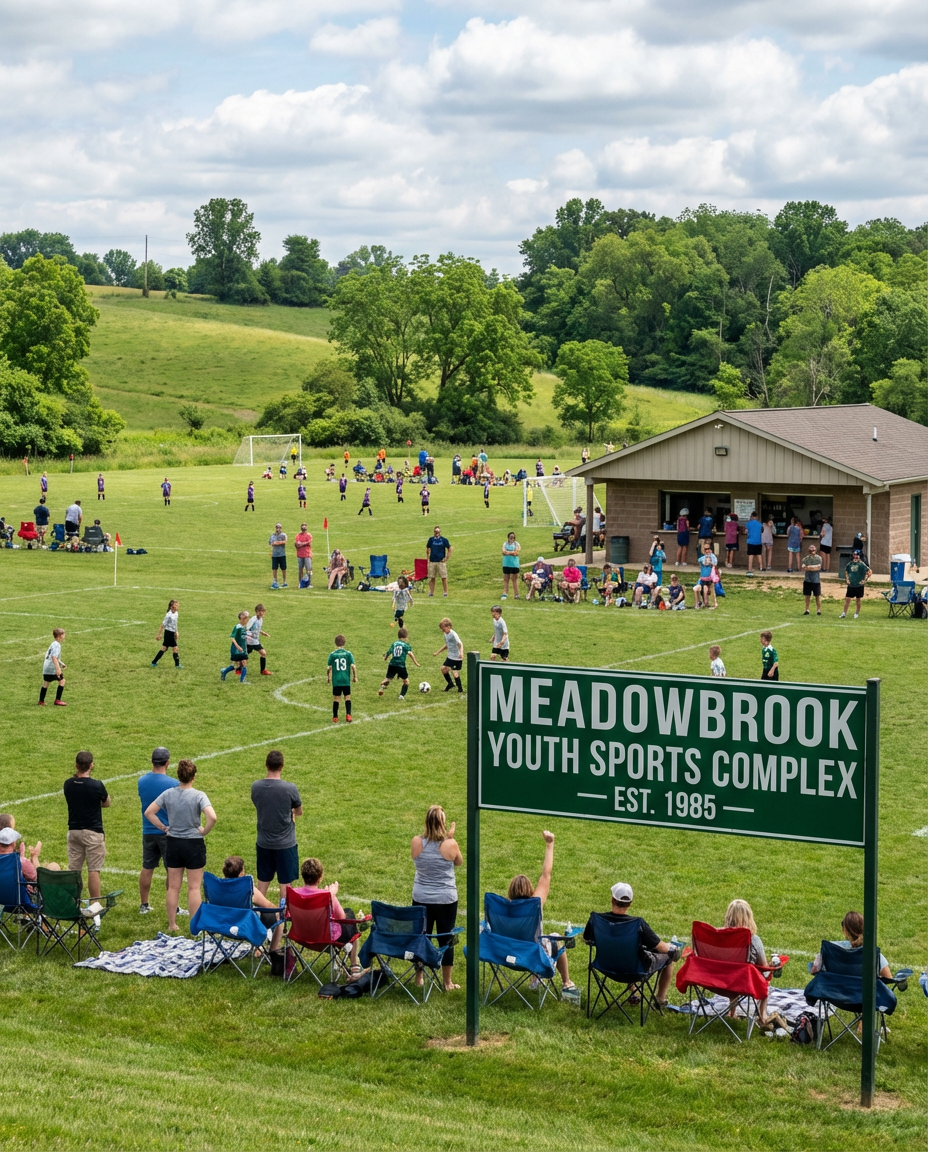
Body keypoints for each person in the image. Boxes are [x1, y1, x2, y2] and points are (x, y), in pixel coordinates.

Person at [144, 759, 216, 933]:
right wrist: (204, 831)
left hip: (173, 842)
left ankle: (172, 924)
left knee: (173, 887)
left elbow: (149, 812)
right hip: (193, 844)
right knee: (194, 887)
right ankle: (195, 926)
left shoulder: (168, 794)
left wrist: (163, 827)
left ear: (178, 776)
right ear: (194, 776)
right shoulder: (199, 795)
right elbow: (212, 817)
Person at [509, 831, 580, 1003]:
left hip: (509, 955)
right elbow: (546, 875)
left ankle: (535, 978)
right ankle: (567, 982)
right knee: (555, 937)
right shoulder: (535, 904)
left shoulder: (503, 910)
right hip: (533, 956)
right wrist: (550, 844)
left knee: (534, 942)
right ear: (530, 890)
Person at [583, 881, 678, 1006]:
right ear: (630, 903)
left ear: (612, 899)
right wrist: (673, 947)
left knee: (626, 950)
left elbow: (587, 939)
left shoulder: (596, 919)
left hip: (604, 967)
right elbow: (662, 948)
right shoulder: (638, 924)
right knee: (667, 958)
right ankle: (660, 999)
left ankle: (634, 991)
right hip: (634, 971)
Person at [411, 806, 463, 992]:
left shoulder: (416, 842)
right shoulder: (450, 844)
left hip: (421, 897)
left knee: (421, 937)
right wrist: (450, 839)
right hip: (445, 900)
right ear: (442, 823)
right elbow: (458, 862)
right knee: (446, 939)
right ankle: (447, 982)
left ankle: (419, 978)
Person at [723, 899, 787, 1032]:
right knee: (765, 979)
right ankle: (762, 1017)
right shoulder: (753, 939)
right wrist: (772, 966)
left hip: (722, 979)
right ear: (749, 918)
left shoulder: (719, 936)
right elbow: (764, 967)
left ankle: (731, 1013)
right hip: (745, 983)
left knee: (734, 970)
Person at [291, 857, 362, 971]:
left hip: (301, 937)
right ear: (320, 877)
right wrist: (332, 895)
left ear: (303, 875)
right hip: (325, 939)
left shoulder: (294, 894)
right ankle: (354, 964)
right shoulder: (326, 896)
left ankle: (345, 962)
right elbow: (341, 917)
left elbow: (288, 915)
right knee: (349, 914)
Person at [251, 750, 302, 901]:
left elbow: (258, 804)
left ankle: (258, 912)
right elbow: (299, 811)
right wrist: (291, 812)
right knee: (285, 886)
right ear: (282, 766)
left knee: (262, 883)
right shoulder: (290, 788)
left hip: (264, 842)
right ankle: (283, 913)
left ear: (266, 765)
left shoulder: (256, 786)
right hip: (286, 845)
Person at [137, 747, 180, 915]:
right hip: (167, 832)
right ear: (167, 763)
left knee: (147, 867)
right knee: (172, 870)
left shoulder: (141, 781)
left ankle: (144, 905)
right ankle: (174, 907)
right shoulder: (173, 784)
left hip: (148, 830)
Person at [63, 751, 109, 900]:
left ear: (76, 765)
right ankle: (95, 903)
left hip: (74, 831)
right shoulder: (97, 785)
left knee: (74, 870)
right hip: (93, 832)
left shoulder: (68, 784)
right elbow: (107, 803)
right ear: (91, 765)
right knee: (94, 870)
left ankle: (72, 901)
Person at [810, 911, 892, 980]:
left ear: (845, 930)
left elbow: (814, 970)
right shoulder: (873, 954)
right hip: (862, 994)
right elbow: (888, 978)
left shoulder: (831, 949)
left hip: (835, 993)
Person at [0, 817, 59, 886]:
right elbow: (37, 878)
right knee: (54, 866)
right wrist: (34, 858)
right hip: (18, 893)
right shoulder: (21, 862)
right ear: (13, 843)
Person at [379, 627, 419, 699]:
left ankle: (382, 686)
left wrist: (385, 658)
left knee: (388, 678)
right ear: (406, 636)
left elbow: (389, 652)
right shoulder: (406, 645)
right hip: (400, 665)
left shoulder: (394, 643)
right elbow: (410, 654)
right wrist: (416, 663)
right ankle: (401, 696)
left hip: (392, 664)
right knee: (406, 681)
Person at [327, 634, 356, 723]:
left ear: (335, 643)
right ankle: (348, 715)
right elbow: (353, 666)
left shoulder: (332, 654)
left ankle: (335, 717)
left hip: (336, 681)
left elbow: (328, 668)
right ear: (344, 643)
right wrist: (355, 677)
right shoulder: (348, 654)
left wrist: (328, 677)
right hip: (345, 680)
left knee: (336, 698)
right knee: (347, 697)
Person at [839, 549, 872, 619]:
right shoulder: (850, 564)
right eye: (854, 555)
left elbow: (869, 571)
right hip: (851, 585)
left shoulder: (862, 564)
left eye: (857, 555)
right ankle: (844, 613)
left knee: (858, 600)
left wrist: (865, 579)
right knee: (847, 599)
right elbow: (846, 571)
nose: (855, 556)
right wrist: (847, 579)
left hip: (859, 585)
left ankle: (856, 613)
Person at [434, 618, 464, 693]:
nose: (442, 630)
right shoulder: (445, 634)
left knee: (455, 673)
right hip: (450, 656)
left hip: (457, 657)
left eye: (443, 629)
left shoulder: (453, 634)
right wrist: (438, 652)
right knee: (443, 669)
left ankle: (460, 689)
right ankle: (450, 684)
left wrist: (461, 653)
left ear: (448, 627)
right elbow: (447, 645)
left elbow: (460, 644)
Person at [38, 627, 67, 706]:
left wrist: (61, 663)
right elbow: (54, 657)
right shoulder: (57, 645)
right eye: (63, 634)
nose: (64, 636)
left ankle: (41, 701)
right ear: (60, 636)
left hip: (46, 668)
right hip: (52, 668)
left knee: (46, 683)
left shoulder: (53, 643)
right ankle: (57, 700)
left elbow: (51, 656)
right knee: (62, 681)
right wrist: (58, 669)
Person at [220, 611, 251, 683]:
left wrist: (247, 637)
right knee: (236, 665)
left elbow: (243, 636)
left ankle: (242, 680)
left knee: (244, 663)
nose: (246, 619)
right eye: (245, 618)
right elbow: (232, 638)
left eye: (247, 618)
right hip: (236, 650)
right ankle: (224, 671)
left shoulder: (244, 627)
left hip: (243, 649)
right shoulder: (237, 627)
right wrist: (238, 647)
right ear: (241, 619)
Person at [151, 599, 181, 668]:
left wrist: (176, 631)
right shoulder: (168, 615)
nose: (177, 606)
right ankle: (177, 665)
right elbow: (162, 625)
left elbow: (175, 624)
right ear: (171, 606)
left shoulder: (176, 613)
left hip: (172, 633)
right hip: (168, 633)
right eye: (175, 605)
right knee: (175, 648)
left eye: (177, 605)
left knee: (164, 648)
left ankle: (154, 662)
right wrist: (159, 634)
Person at [246, 603, 271, 675]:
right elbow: (246, 629)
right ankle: (263, 671)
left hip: (255, 640)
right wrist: (248, 636)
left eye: (263, 611)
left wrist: (263, 633)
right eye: (259, 611)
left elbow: (257, 629)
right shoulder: (253, 620)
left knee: (245, 655)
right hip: (250, 641)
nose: (261, 613)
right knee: (263, 653)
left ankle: (238, 668)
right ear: (256, 611)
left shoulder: (260, 619)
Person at [426, 526, 451, 597]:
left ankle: (445, 592)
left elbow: (450, 548)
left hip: (441, 562)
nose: (436, 533)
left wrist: (446, 558)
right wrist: (428, 557)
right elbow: (427, 548)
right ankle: (431, 592)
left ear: (440, 532)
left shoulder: (443, 540)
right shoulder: (431, 540)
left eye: (438, 532)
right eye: (435, 531)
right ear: (434, 532)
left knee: (444, 577)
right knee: (432, 577)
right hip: (432, 561)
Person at [801, 544, 823, 615]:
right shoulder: (805, 559)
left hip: (816, 580)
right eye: (811, 548)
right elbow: (804, 568)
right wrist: (813, 567)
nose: (812, 549)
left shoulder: (819, 558)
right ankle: (807, 609)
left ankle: (818, 610)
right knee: (807, 596)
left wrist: (809, 567)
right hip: (807, 580)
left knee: (817, 596)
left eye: (813, 548)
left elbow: (818, 568)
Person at [698, 543, 718, 608]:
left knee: (712, 589)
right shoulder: (703, 557)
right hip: (704, 577)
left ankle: (715, 603)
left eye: (708, 548)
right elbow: (701, 561)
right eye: (705, 549)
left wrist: (710, 560)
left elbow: (714, 563)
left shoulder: (712, 556)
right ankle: (706, 602)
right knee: (705, 589)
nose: (707, 550)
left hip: (710, 576)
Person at [268, 522, 288, 589]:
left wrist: (276, 543)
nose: (278, 529)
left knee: (284, 569)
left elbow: (285, 542)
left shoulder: (283, 535)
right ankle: (275, 581)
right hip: (275, 555)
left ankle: (284, 582)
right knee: (274, 568)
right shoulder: (272, 536)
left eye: (279, 527)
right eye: (277, 527)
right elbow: (271, 543)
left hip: (282, 554)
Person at [502, 532, 521, 598]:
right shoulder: (505, 544)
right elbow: (503, 552)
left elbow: (516, 552)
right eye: (511, 537)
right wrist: (511, 552)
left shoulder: (517, 544)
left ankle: (516, 594)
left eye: (513, 537)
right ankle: (505, 593)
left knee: (514, 579)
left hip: (514, 564)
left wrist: (508, 552)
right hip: (506, 563)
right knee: (506, 579)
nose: (512, 538)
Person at [294, 524, 312, 588]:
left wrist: (301, 544)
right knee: (300, 569)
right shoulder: (298, 536)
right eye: (303, 526)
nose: (304, 528)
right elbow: (296, 544)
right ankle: (300, 582)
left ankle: (309, 583)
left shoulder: (309, 535)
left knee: (309, 569)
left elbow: (308, 542)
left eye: (305, 526)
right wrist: (304, 544)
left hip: (307, 554)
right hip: (300, 554)